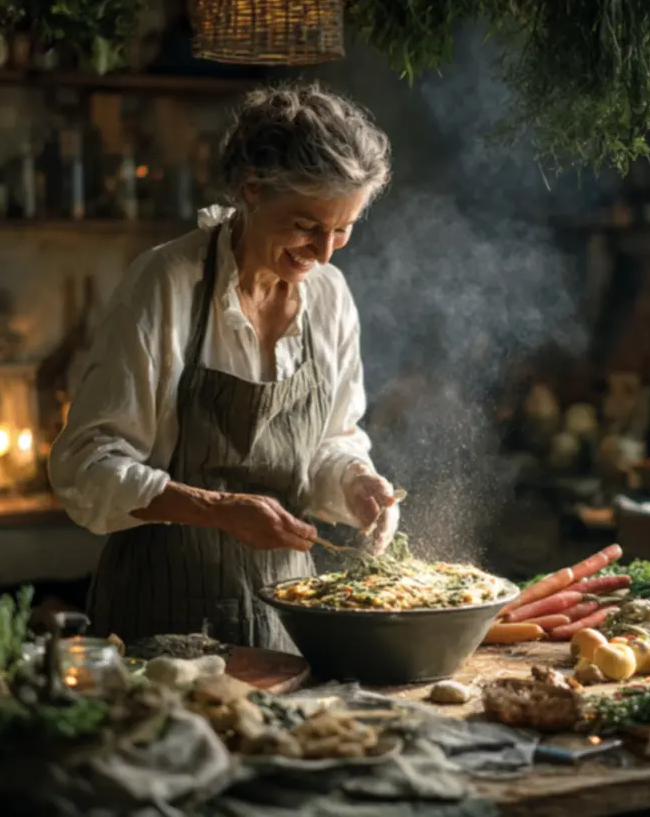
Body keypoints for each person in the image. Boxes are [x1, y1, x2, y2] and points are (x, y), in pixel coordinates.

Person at [49, 82, 401, 652]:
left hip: (289, 619)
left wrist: (356, 482)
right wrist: (217, 509)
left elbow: (330, 441)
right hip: (161, 617)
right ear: (252, 189)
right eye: (307, 225)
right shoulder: (167, 285)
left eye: (343, 229)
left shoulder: (330, 296)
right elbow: (86, 467)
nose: (324, 252)